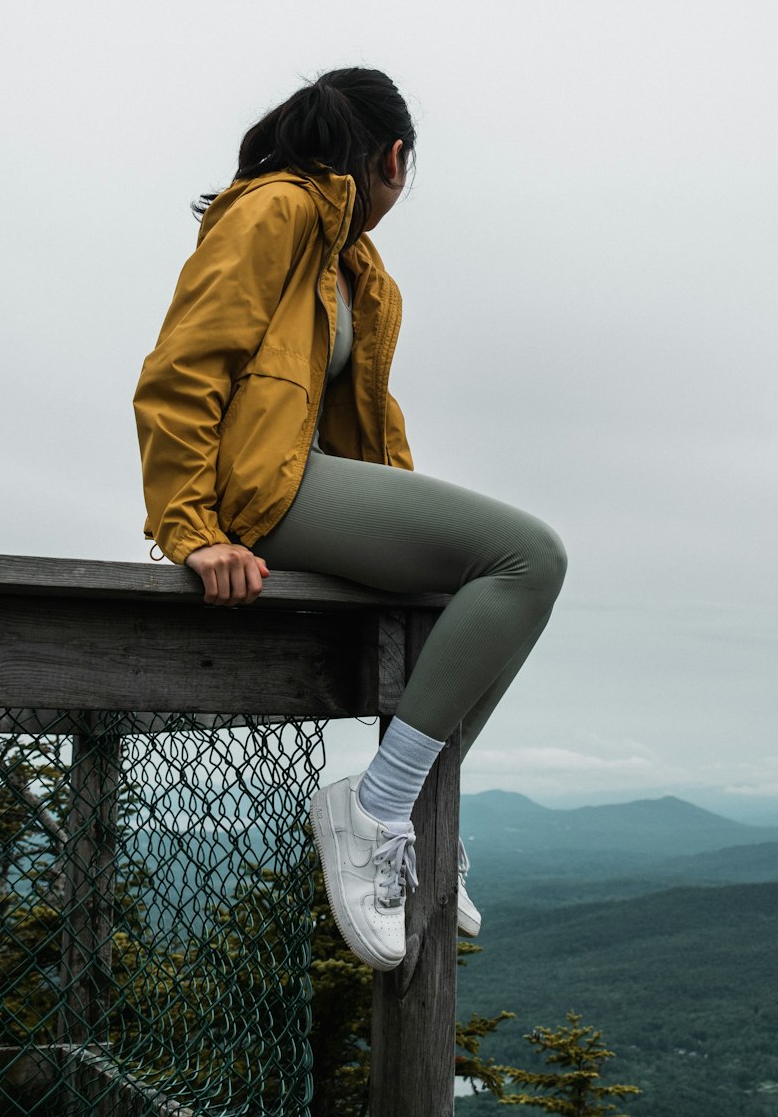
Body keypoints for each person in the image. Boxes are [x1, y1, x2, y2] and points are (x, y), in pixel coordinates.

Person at [133, 67, 567, 972]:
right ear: (395, 159)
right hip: (263, 494)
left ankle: (410, 810)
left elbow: (366, 424)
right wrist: (192, 528)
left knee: (490, 593)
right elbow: (183, 368)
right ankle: (378, 807)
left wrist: (408, 539)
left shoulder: (354, 267)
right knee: (528, 558)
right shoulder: (277, 210)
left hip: (303, 480)